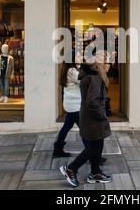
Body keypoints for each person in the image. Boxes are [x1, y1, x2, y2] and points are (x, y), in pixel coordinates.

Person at [60, 51, 112, 187]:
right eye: (108, 62)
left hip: (88, 116)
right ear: (101, 64)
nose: (109, 65)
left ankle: (95, 173)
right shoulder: (95, 78)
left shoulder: (89, 74)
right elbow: (92, 102)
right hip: (94, 118)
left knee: (96, 145)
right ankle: (71, 169)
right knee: (93, 148)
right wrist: (102, 115)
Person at [53, 51, 85, 158]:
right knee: (85, 130)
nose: (81, 57)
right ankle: (92, 153)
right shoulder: (72, 71)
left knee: (67, 126)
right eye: (79, 56)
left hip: (71, 104)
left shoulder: (71, 69)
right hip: (74, 105)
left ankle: (57, 150)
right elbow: (84, 80)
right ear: (72, 59)